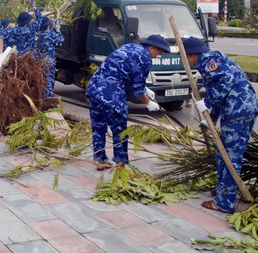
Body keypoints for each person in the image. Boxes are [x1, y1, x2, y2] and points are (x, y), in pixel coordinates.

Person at [183, 37, 258, 214]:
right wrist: (209, 119)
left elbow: (225, 82)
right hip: (240, 108)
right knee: (222, 151)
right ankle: (225, 190)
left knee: (230, 155)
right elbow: (218, 93)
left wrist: (207, 102)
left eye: (184, 57)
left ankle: (224, 202)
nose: (184, 60)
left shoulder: (208, 60)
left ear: (191, 55)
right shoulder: (210, 60)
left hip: (237, 110)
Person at [85, 34, 170, 170]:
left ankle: (100, 160)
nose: (158, 55)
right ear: (152, 47)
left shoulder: (129, 46)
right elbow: (137, 92)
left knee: (98, 127)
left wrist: (145, 88)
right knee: (120, 131)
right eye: (159, 52)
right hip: (111, 94)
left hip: (94, 89)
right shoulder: (144, 58)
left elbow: (125, 72)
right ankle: (121, 166)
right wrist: (148, 102)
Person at [37, 17, 65, 97]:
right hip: (49, 60)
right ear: (48, 25)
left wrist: (53, 29)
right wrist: (58, 30)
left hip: (41, 59)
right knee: (49, 79)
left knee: (42, 79)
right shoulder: (50, 34)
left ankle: (41, 96)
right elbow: (61, 39)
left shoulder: (40, 33)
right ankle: (48, 98)